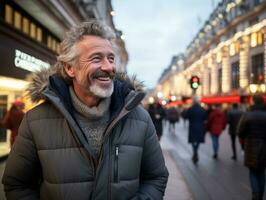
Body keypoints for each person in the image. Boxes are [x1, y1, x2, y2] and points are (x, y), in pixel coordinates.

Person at [2, 20, 168, 200]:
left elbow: (156, 177)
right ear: (70, 68)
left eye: (111, 58)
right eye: (96, 58)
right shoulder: (35, 120)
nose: (108, 67)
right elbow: (17, 184)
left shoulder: (140, 118)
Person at [237, 94, 266, 200]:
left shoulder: (247, 115)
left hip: (251, 147)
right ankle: (261, 194)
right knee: (262, 171)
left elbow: (240, 132)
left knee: (253, 171)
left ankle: (255, 194)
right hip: (264, 147)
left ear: (253, 101)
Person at [185, 96, 207, 163]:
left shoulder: (190, 109)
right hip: (200, 126)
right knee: (198, 140)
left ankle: (194, 151)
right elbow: (205, 118)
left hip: (192, 126)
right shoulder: (202, 109)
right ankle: (196, 151)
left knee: (192, 140)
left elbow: (187, 116)